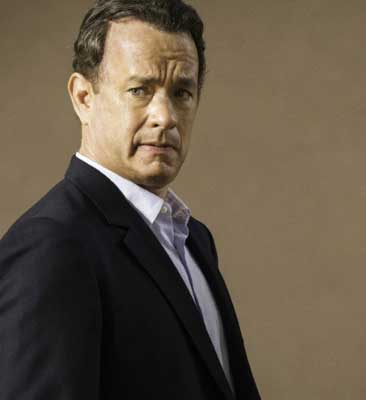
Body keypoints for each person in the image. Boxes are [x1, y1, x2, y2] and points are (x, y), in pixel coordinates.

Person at [0, 1, 261, 399]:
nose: (165, 117)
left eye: (182, 92)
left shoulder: (194, 239)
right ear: (83, 97)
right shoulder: (51, 246)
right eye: (140, 90)